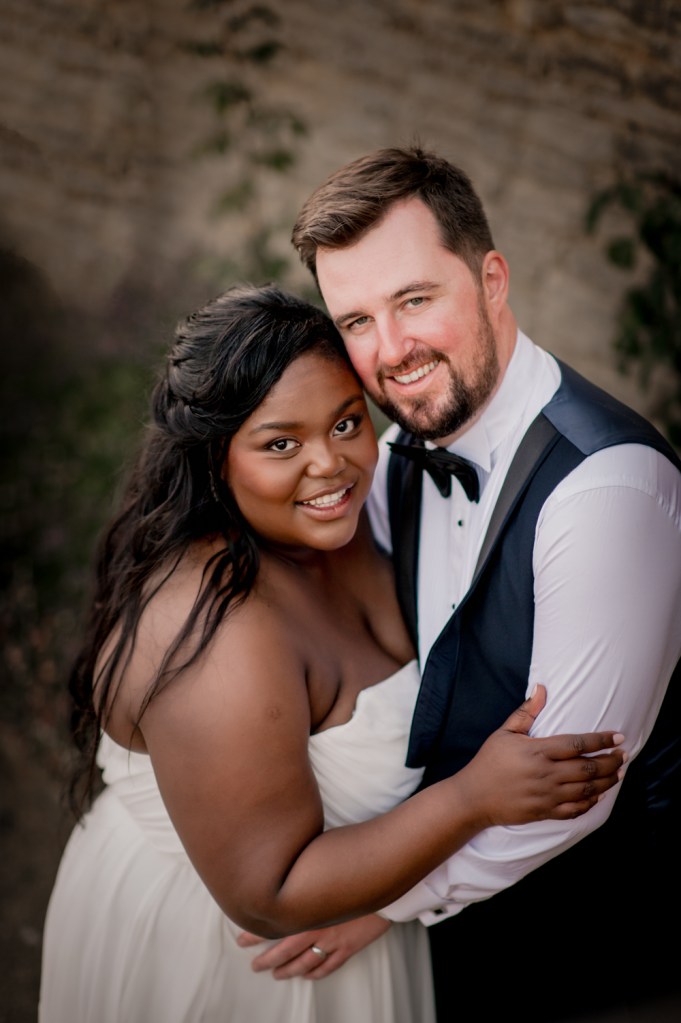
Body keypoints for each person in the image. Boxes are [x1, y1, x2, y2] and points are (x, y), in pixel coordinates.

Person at [38, 283, 624, 1023]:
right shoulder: (218, 630)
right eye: (281, 442)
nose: (332, 465)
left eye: (347, 422)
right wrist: (472, 798)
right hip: (240, 958)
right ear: (216, 458)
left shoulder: (361, 518)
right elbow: (269, 892)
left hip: (366, 915)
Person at [245, 148, 681, 1022]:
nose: (390, 351)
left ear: (489, 278)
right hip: (454, 944)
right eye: (357, 320)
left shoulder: (606, 486)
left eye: (414, 300)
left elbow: (570, 789)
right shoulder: (392, 446)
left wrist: (377, 900)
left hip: (606, 948)